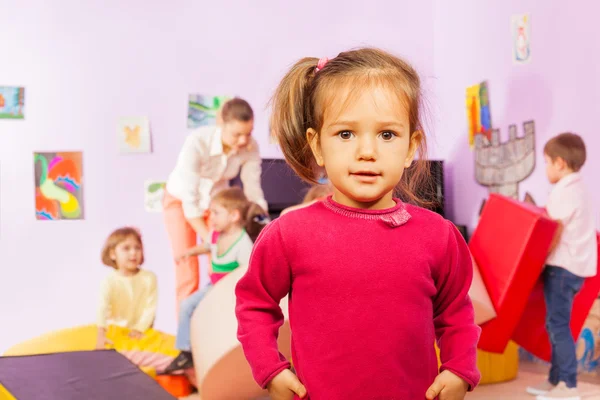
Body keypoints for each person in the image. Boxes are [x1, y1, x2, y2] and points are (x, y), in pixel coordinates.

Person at [234, 48, 480, 399]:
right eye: (346, 134)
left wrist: (459, 368)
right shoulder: (288, 235)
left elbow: (456, 313)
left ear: (411, 147)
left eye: (387, 135)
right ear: (317, 146)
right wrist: (270, 368)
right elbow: (254, 304)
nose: (367, 151)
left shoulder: (439, 236)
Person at [163, 98, 268, 305]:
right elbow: (190, 201)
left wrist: (265, 224)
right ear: (221, 124)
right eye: (236, 134)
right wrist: (212, 241)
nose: (243, 141)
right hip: (180, 200)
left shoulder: (250, 147)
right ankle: (186, 333)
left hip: (216, 205)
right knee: (187, 269)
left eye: (248, 133)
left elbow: (253, 191)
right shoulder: (197, 142)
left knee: (220, 267)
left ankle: (218, 328)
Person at [162, 187, 269, 374]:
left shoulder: (242, 243)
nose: (211, 217)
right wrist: (188, 252)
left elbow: (249, 273)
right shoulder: (216, 236)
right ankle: (186, 352)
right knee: (187, 306)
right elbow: (206, 247)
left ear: (234, 215)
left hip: (229, 292)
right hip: (214, 288)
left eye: (216, 213)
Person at [526, 133, 597, 400]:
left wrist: (536, 259)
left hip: (562, 269)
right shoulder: (575, 188)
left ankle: (568, 384)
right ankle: (556, 379)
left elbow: (552, 231)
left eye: (546, 162)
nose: (545, 169)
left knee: (558, 326)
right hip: (571, 268)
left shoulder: (567, 190)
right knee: (555, 324)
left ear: (559, 163)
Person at [97, 227, 157, 349]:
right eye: (126, 248)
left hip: (142, 332)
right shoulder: (109, 281)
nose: (133, 253)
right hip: (116, 332)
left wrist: (139, 329)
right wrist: (101, 333)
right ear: (113, 254)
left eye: (137, 248)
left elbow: (150, 309)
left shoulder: (149, 278)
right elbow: (102, 309)